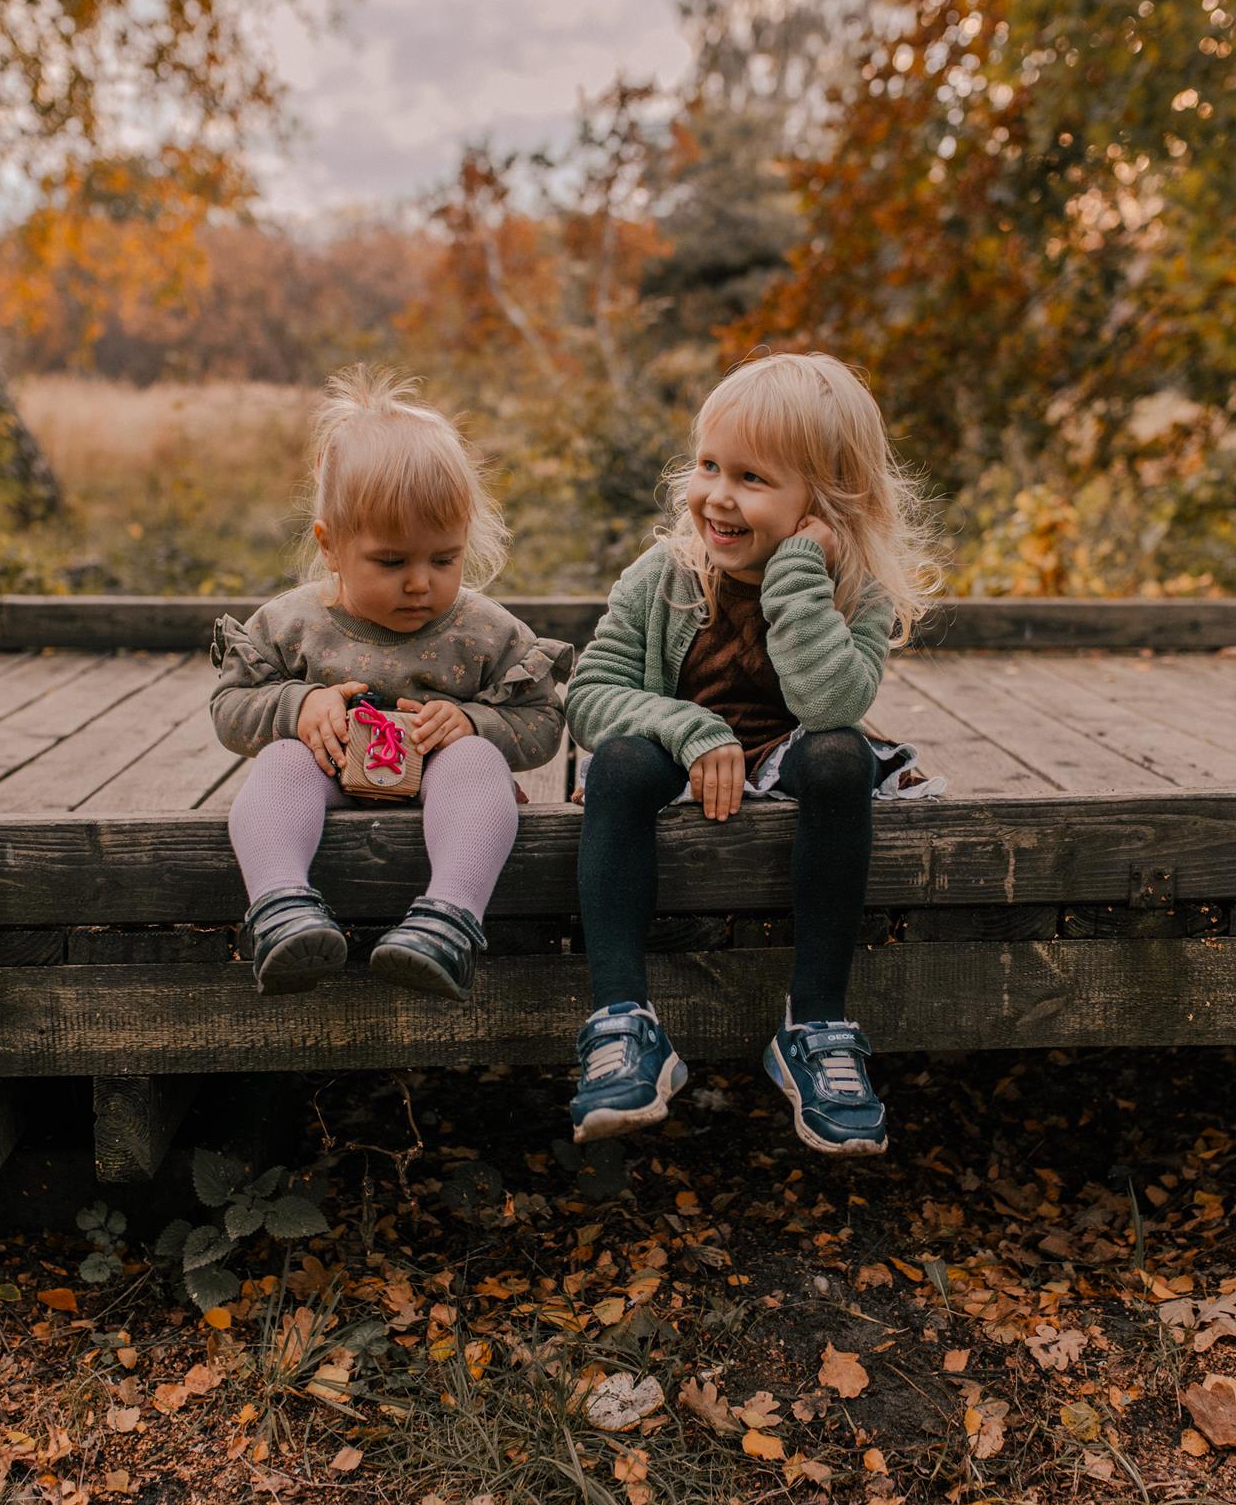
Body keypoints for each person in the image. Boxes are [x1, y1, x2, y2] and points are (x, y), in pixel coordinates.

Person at [565, 351, 939, 1155]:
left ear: (826, 501)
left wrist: (800, 574)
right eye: (708, 466)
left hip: (790, 749)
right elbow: (589, 697)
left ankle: (816, 1026)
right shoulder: (663, 576)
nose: (718, 496)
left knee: (842, 757)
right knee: (623, 762)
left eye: (753, 478)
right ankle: (624, 1024)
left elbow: (831, 705)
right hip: (678, 752)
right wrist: (692, 730)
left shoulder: (853, 588)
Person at [211, 366, 571, 999]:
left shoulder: (484, 631)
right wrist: (299, 706)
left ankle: (448, 922)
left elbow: (543, 719)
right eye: (391, 561)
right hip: (327, 781)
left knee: (477, 762)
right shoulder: (293, 623)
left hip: (439, 782)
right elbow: (231, 706)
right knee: (279, 767)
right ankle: (280, 908)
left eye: (444, 559)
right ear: (331, 545)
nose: (420, 583)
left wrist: (473, 723)